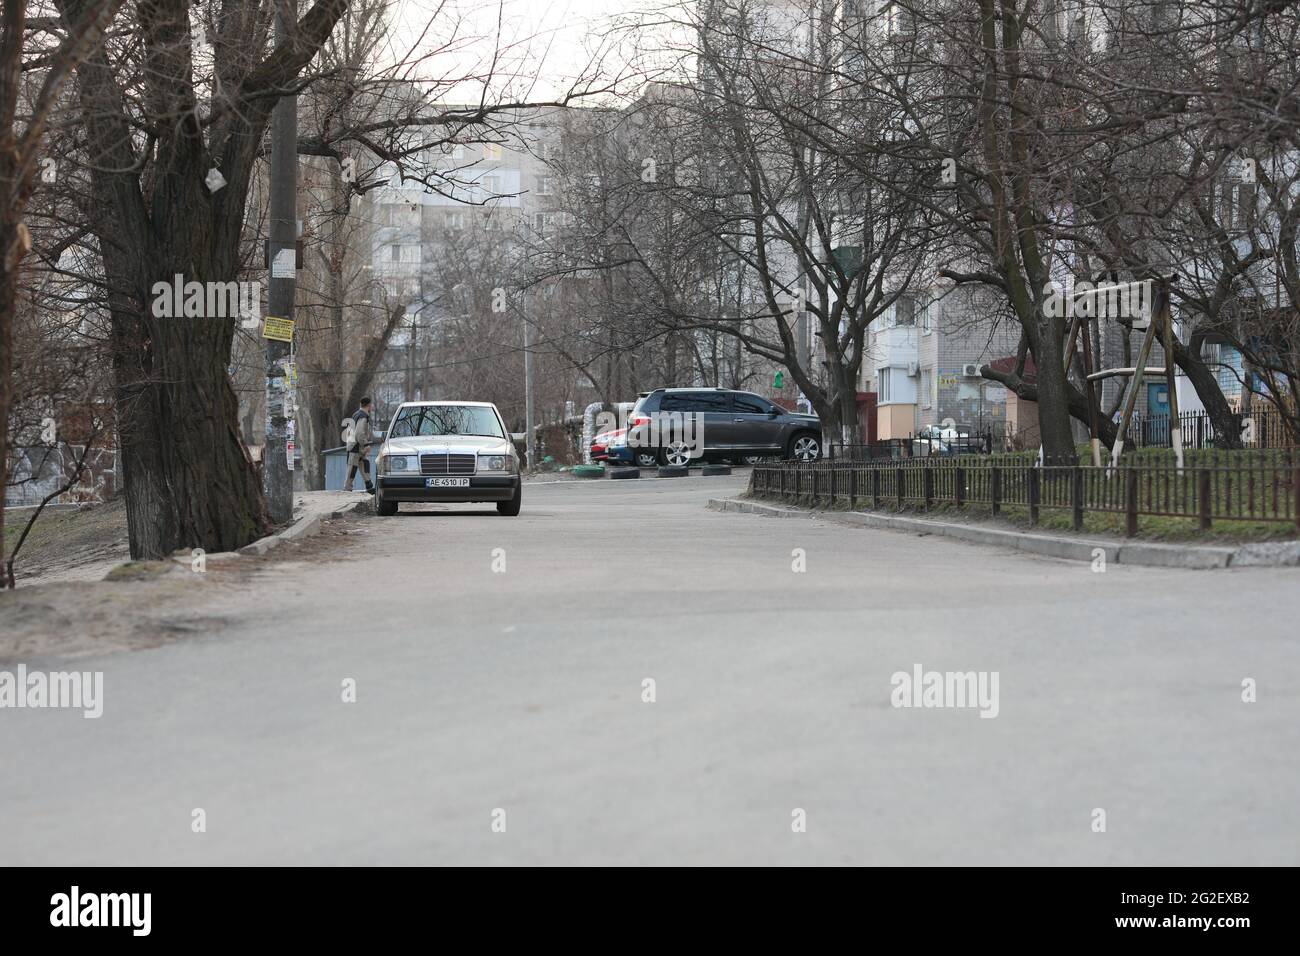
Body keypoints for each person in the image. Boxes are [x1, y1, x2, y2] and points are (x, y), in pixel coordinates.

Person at [344, 397, 376, 494]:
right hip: (356, 446)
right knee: (352, 467)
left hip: (354, 445)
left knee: (364, 464)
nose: (372, 406)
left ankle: (369, 485)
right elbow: (359, 433)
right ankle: (347, 488)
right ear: (369, 405)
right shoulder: (363, 416)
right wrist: (365, 444)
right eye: (372, 404)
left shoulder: (356, 414)